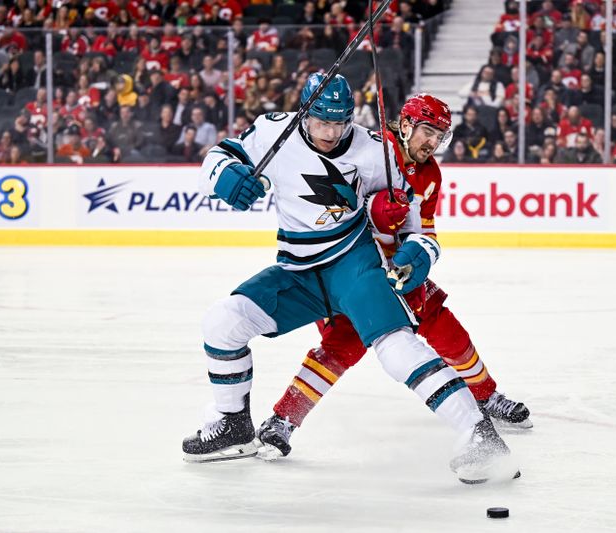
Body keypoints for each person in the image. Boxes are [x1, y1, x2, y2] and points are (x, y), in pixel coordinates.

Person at [182, 74, 516, 483]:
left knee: (395, 345)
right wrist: (224, 177)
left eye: (339, 124)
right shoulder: (273, 130)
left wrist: (416, 252)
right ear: (304, 113)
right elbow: (217, 158)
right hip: (297, 271)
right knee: (223, 322)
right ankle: (233, 424)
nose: (330, 133)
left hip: (353, 265)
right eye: (321, 123)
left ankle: (477, 433)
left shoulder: (374, 151)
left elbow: (419, 230)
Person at [255, 95, 532, 460]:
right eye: (428, 132)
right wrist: (376, 210)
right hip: (351, 266)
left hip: (397, 266)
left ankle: (485, 394)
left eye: (440, 136)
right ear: (405, 125)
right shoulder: (369, 150)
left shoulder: (430, 174)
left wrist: (414, 257)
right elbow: (330, 207)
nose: (433, 143)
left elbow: (425, 231)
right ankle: (283, 420)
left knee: (442, 324)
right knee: (343, 343)